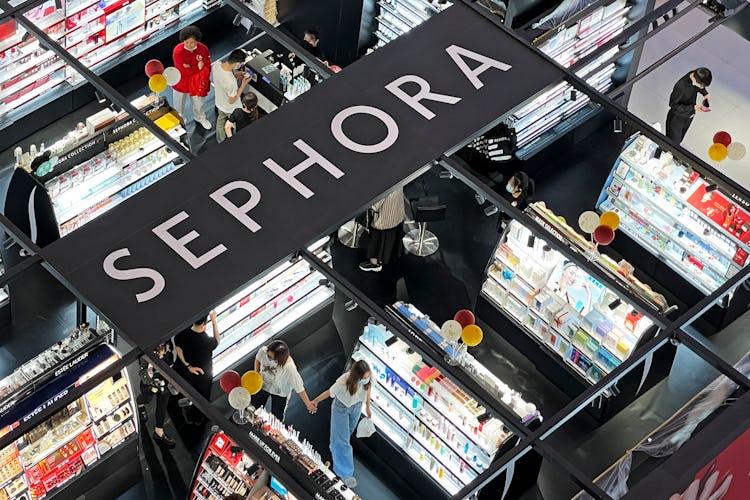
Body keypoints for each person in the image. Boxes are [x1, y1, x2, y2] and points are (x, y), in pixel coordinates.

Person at [312, 360, 372, 488]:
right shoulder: (343, 381)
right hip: (341, 408)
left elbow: (368, 390)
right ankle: (345, 473)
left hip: (356, 407)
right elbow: (329, 392)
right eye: (364, 377)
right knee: (343, 441)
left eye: (368, 377)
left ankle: (335, 447)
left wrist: (368, 407)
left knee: (345, 434)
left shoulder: (368, 379)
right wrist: (315, 401)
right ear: (357, 376)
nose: (367, 379)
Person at [174, 311, 220, 424]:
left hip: (188, 372)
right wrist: (214, 322)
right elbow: (217, 341)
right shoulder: (207, 341)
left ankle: (188, 416)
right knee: (202, 399)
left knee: (189, 394)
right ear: (205, 322)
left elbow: (178, 348)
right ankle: (199, 418)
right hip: (204, 374)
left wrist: (188, 366)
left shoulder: (182, 334)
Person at [254, 340, 316, 421]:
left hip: (280, 392)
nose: (268, 358)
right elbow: (258, 358)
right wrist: (256, 373)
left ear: (279, 359)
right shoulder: (264, 351)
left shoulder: (290, 368)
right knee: (254, 406)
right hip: (263, 384)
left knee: (276, 418)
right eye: (267, 355)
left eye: (271, 358)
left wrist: (308, 404)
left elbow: (299, 388)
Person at [137, 341, 176, 448]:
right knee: (147, 398)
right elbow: (145, 376)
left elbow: (170, 362)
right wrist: (152, 363)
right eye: (162, 350)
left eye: (166, 349)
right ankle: (139, 405)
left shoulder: (168, 349)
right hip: (150, 384)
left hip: (163, 383)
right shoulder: (147, 355)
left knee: (162, 406)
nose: (163, 353)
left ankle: (159, 430)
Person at [172, 26, 212, 130]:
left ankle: (200, 118)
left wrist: (190, 67)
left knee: (199, 103)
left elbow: (207, 66)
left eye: (192, 43)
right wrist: (198, 67)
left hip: (198, 83)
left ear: (197, 41)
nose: (189, 45)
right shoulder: (178, 51)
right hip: (181, 83)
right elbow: (183, 71)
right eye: (187, 43)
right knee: (178, 105)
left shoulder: (203, 49)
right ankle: (178, 121)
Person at [359, 188, 405, 273]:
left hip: (384, 221)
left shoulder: (383, 187)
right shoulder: (397, 179)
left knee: (375, 243)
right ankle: (390, 256)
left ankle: (374, 264)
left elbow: (374, 206)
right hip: (397, 215)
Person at [212, 49, 251, 143]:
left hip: (219, 102)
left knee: (220, 121)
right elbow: (232, 101)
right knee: (235, 125)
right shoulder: (231, 83)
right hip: (231, 109)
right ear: (238, 63)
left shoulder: (216, 65)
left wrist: (236, 75)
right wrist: (243, 84)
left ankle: (220, 140)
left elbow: (222, 78)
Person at [665, 68, 712, 144]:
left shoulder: (695, 74)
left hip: (688, 116)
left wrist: (705, 94)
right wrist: (693, 107)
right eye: (701, 85)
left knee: (679, 139)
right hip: (676, 119)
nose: (702, 87)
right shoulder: (680, 86)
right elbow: (672, 104)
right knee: (673, 144)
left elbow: (698, 86)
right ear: (694, 78)